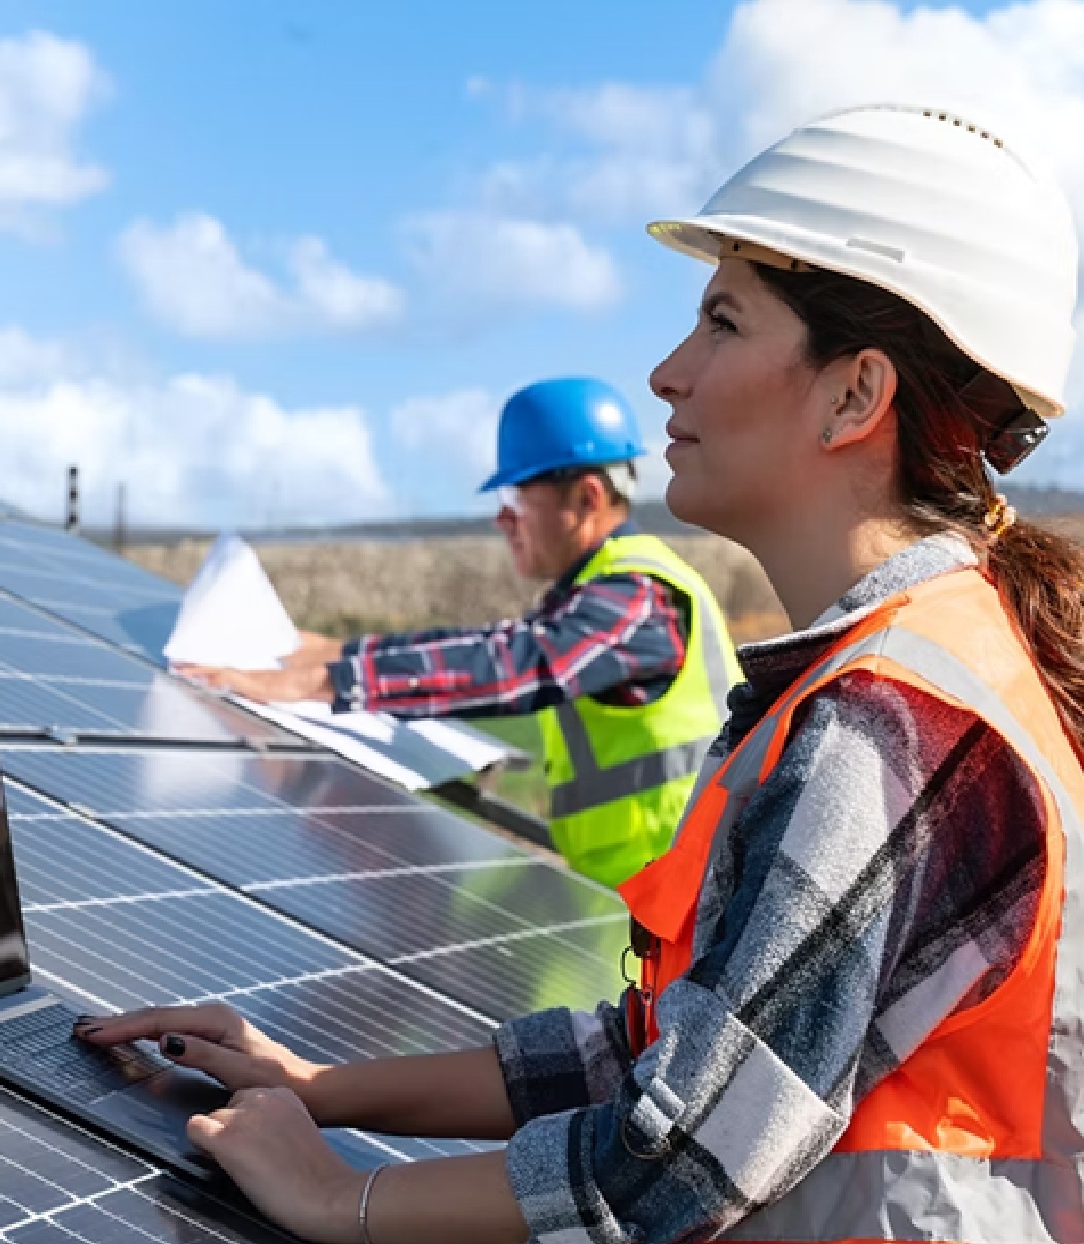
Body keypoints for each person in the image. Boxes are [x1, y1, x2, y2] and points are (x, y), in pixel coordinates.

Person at [85, 103, 1084, 1242]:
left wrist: (338, 1197)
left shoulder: (894, 726)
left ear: (854, 394)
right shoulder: (925, 667)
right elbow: (651, 1044)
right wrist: (321, 1085)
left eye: (721, 321)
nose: (666, 373)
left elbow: (680, 1158)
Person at [179, 375, 741, 888]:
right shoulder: (605, 591)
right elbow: (491, 645)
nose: (502, 519)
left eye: (514, 497)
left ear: (586, 498)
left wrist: (328, 681)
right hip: (649, 893)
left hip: (687, 899)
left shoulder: (637, 597)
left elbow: (515, 664)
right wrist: (336, 650)